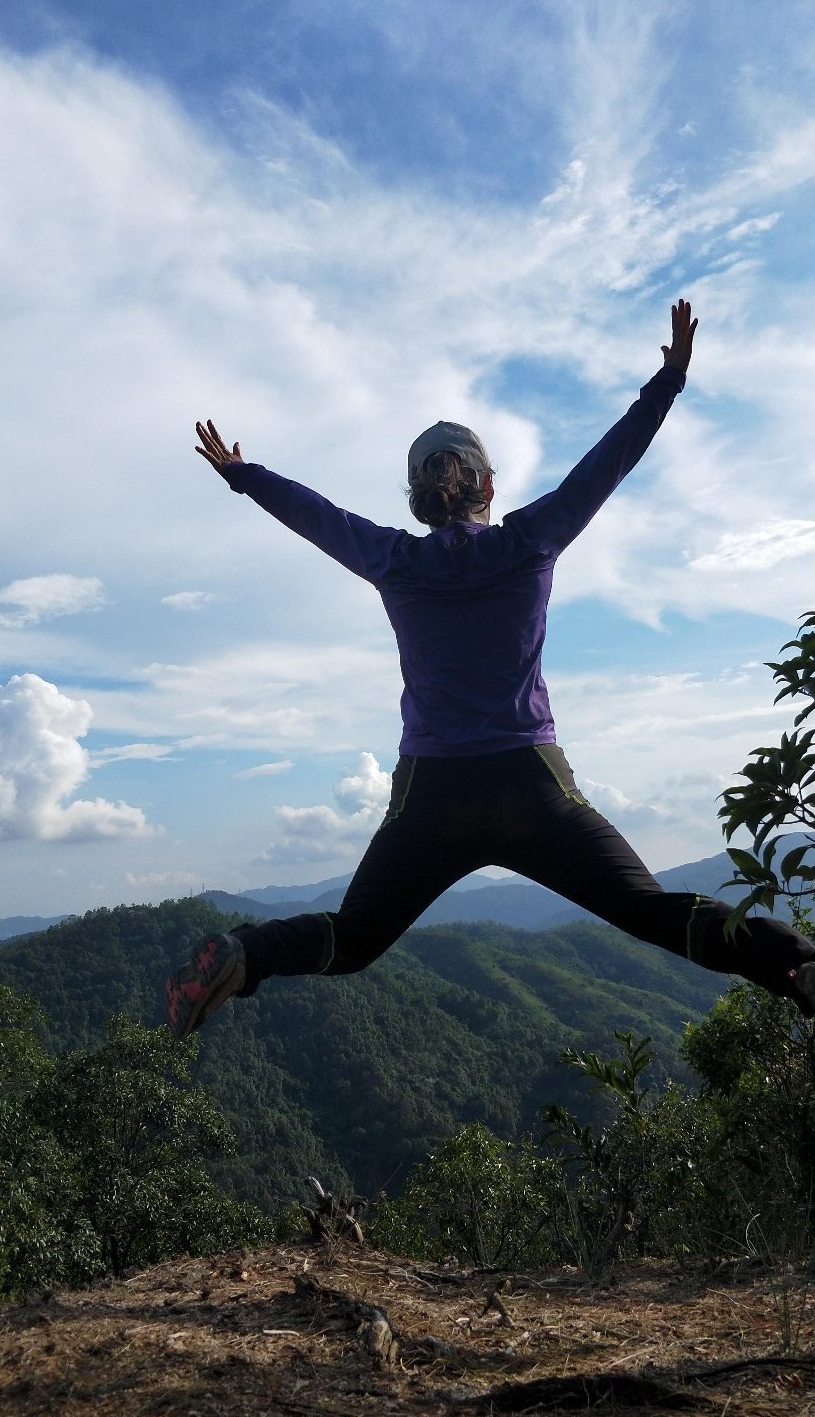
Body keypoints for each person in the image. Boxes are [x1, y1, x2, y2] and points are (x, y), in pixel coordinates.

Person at [165, 300, 815, 1038]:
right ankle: (793, 964)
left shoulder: (394, 559)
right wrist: (664, 384)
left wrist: (244, 475)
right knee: (652, 911)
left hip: (432, 792)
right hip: (530, 784)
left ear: (418, 498)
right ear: (488, 487)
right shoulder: (529, 540)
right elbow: (606, 466)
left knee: (351, 939)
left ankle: (245, 955)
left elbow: (316, 514)